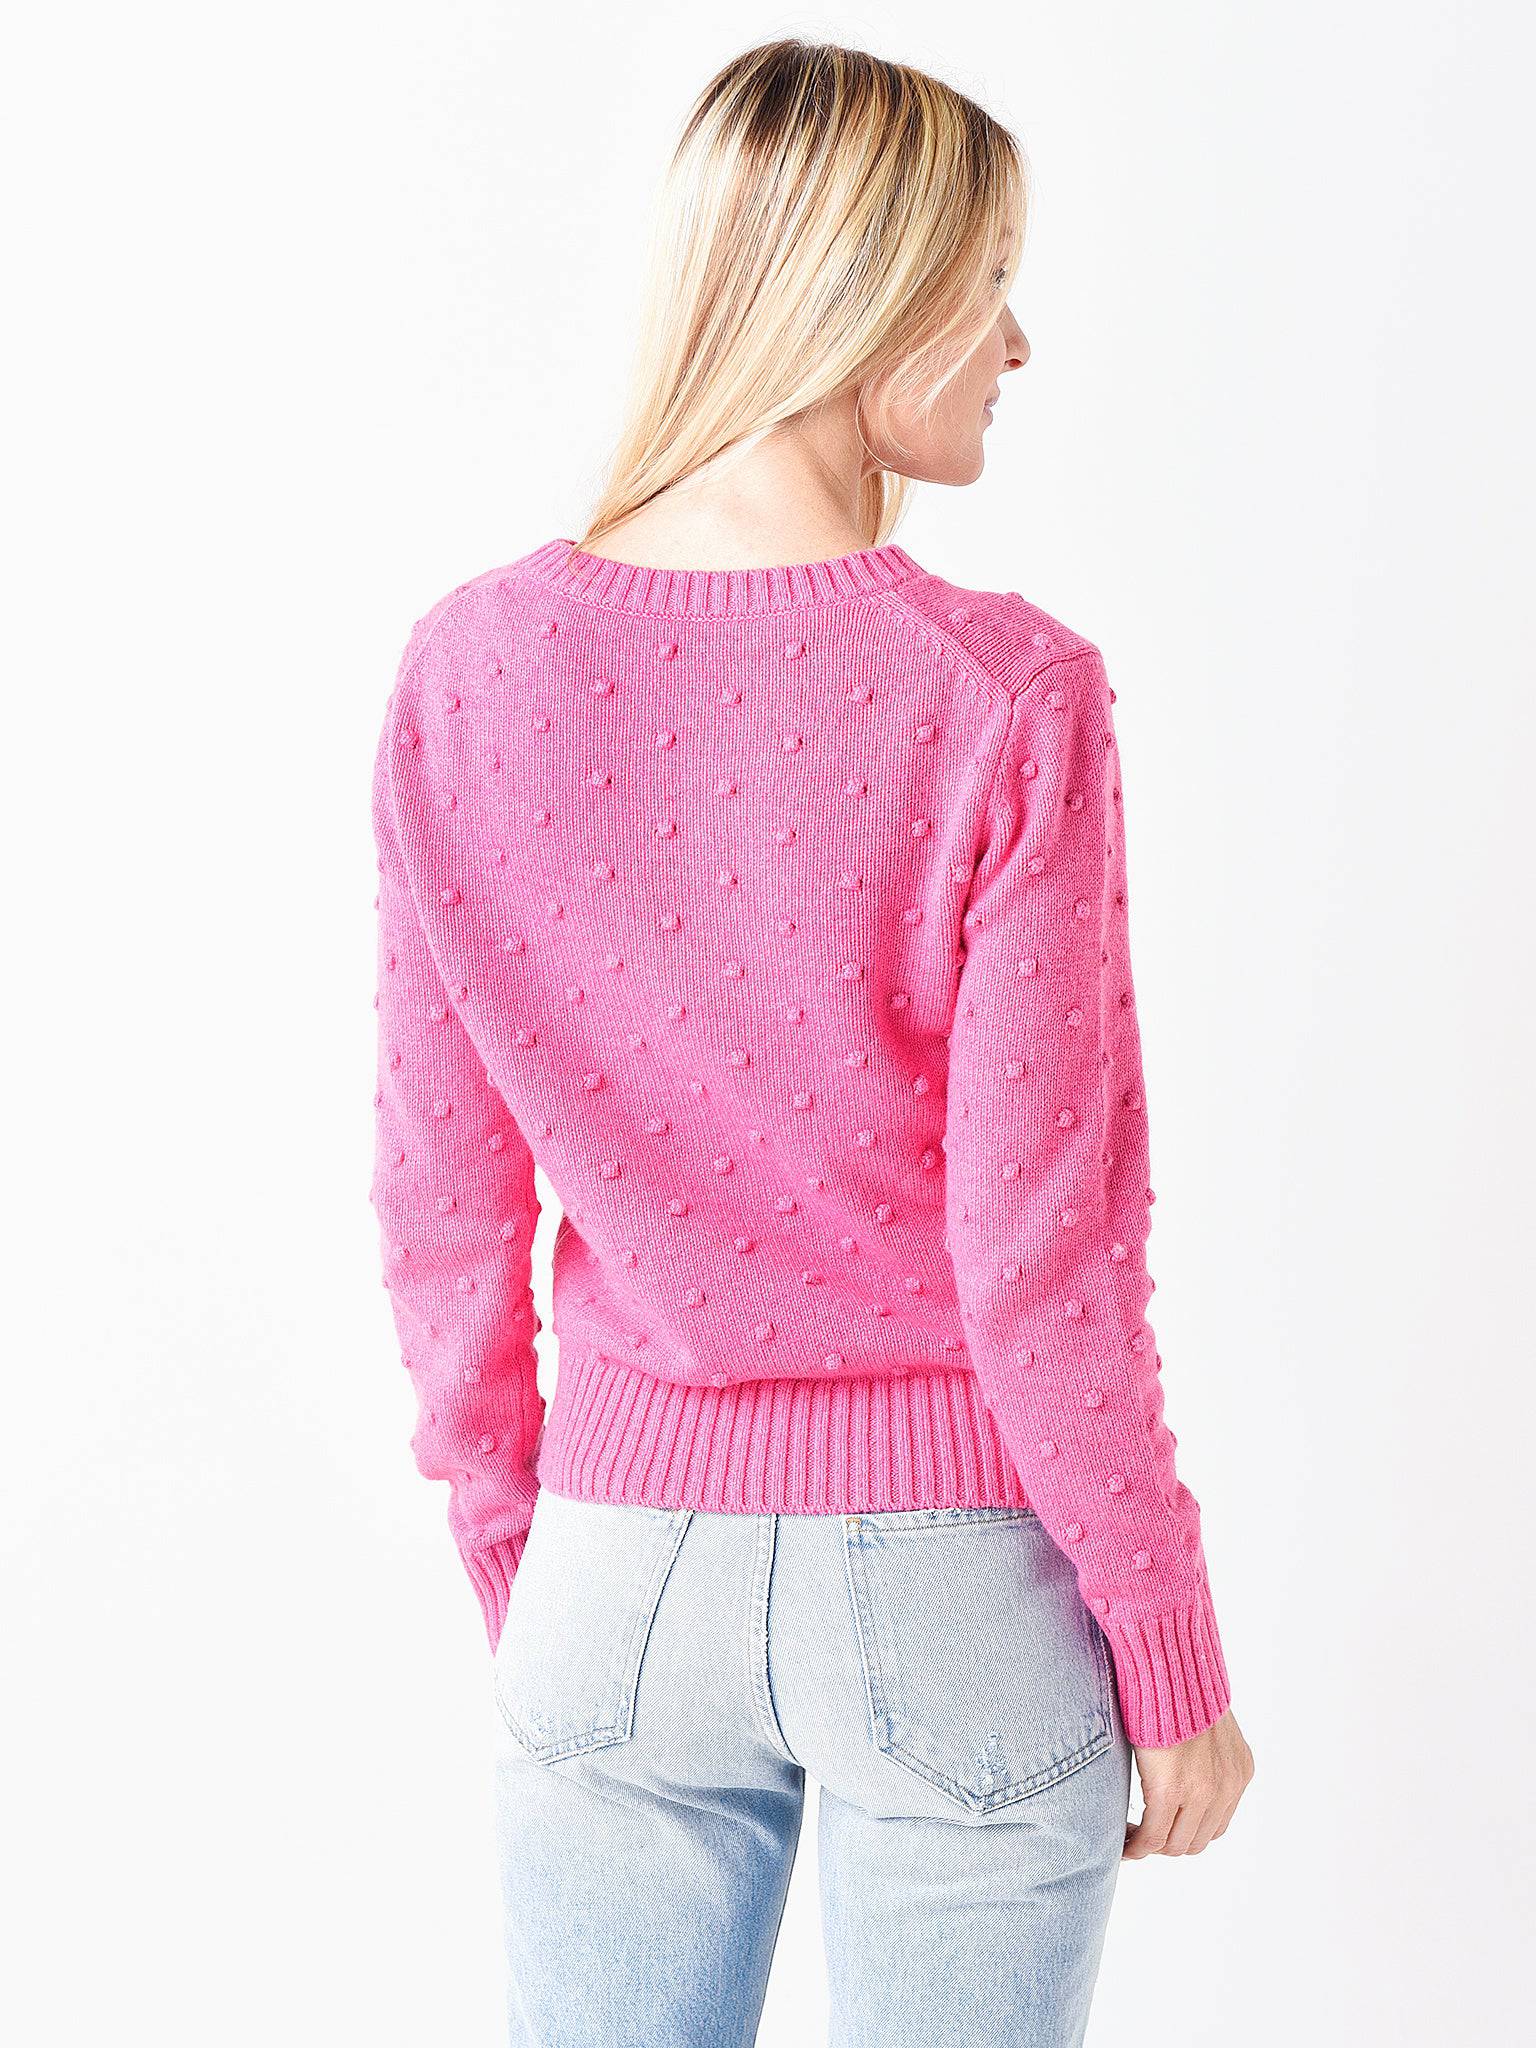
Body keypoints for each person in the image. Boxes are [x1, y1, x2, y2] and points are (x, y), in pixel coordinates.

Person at [369, 36, 1254, 2048]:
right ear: (868, 290)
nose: (1016, 343)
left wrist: (530, 1560)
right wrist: (1165, 1641)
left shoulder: (464, 668)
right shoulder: (1005, 694)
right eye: (988, 283)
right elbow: (1044, 1257)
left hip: (611, 1569)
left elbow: (441, 1208)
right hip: (954, 1585)